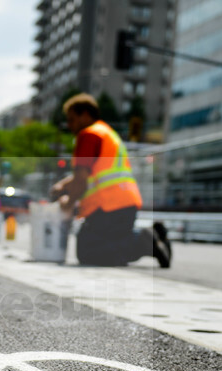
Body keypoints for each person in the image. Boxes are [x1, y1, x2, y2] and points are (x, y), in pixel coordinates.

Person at [50, 93, 171, 267]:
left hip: (108, 207)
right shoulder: (107, 133)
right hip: (126, 204)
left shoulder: (88, 135)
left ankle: (144, 241)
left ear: (85, 115)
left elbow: (81, 181)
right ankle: (152, 236)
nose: (69, 125)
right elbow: (93, 173)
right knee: (108, 243)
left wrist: (67, 204)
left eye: (72, 119)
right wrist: (63, 186)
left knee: (88, 252)